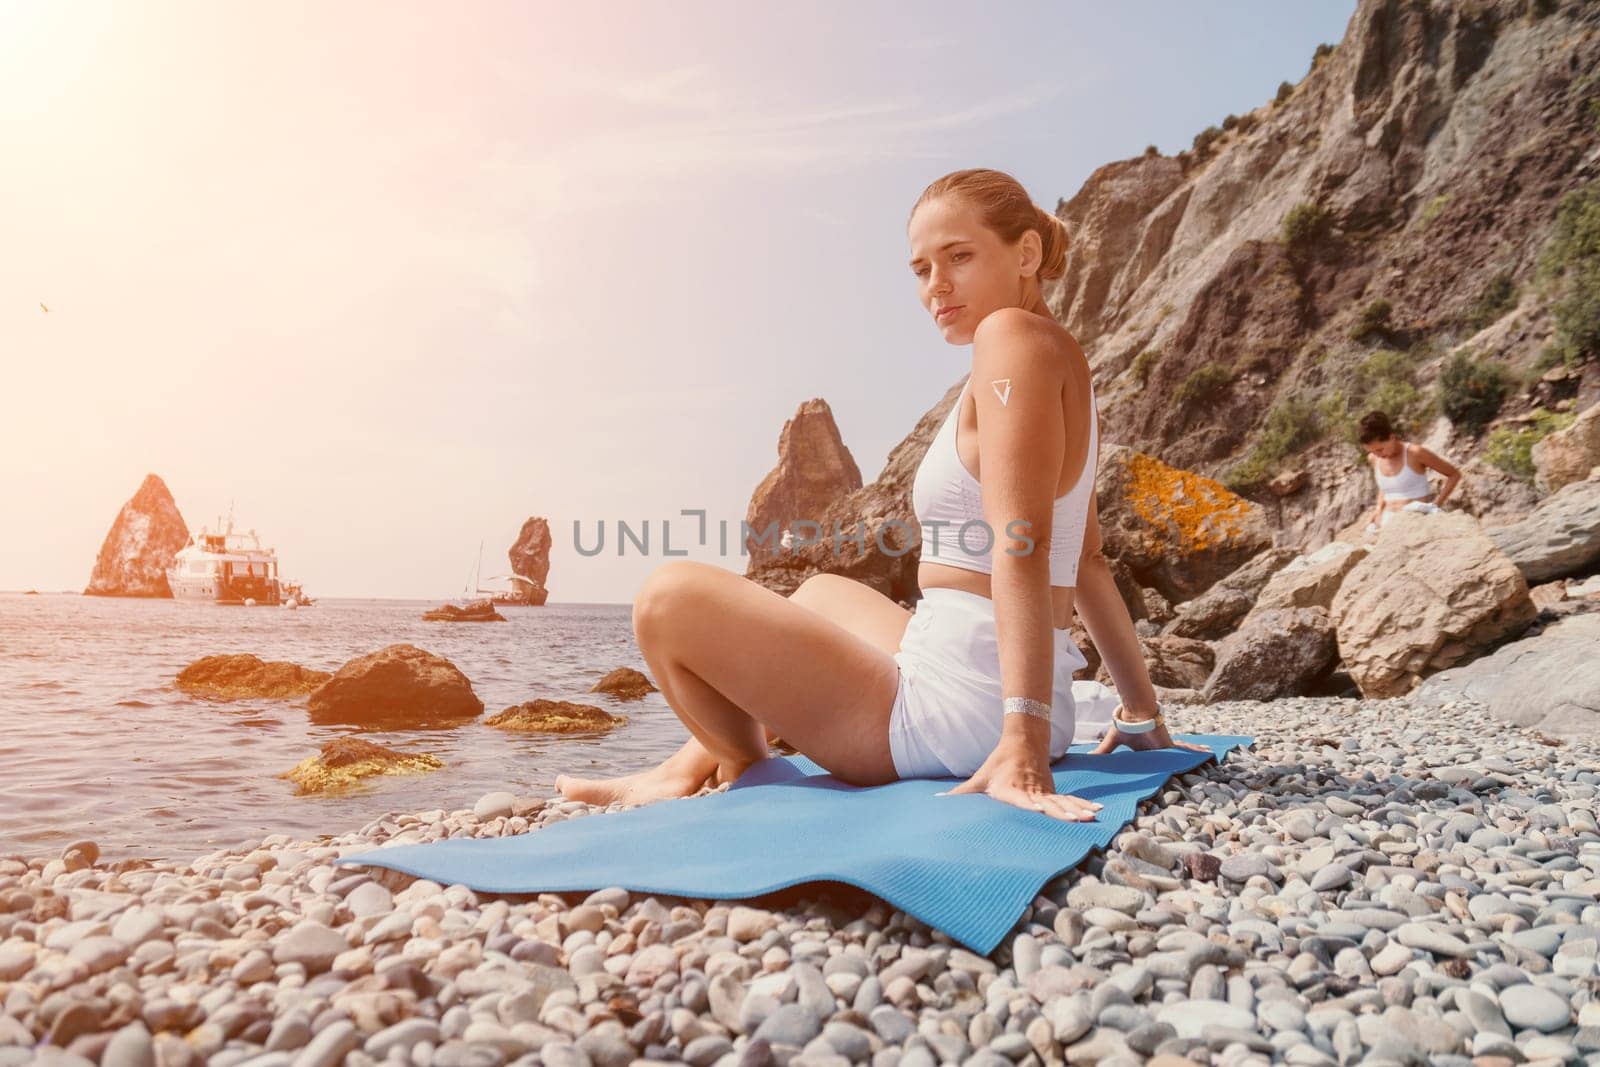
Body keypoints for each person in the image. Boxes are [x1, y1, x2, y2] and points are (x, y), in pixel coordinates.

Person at [555, 168, 1204, 823]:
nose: (936, 286)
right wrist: (1141, 712)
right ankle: (684, 764)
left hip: (957, 714)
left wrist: (1024, 742)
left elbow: (1025, 543)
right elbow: (1086, 559)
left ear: (1026, 253)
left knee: (665, 598)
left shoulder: (1007, 339)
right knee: (819, 594)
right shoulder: (1058, 356)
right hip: (993, 692)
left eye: (959, 257)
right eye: (921, 268)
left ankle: (738, 758)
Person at [1358, 411, 1461, 534]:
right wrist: (1378, 509)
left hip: (1413, 523)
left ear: (1391, 437)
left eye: (1380, 449)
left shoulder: (1415, 453)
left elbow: (1454, 474)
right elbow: (1384, 487)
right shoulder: (1373, 458)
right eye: (1372, 451)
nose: (1378, 455)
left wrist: (1435, 505)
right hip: (1385, 525)